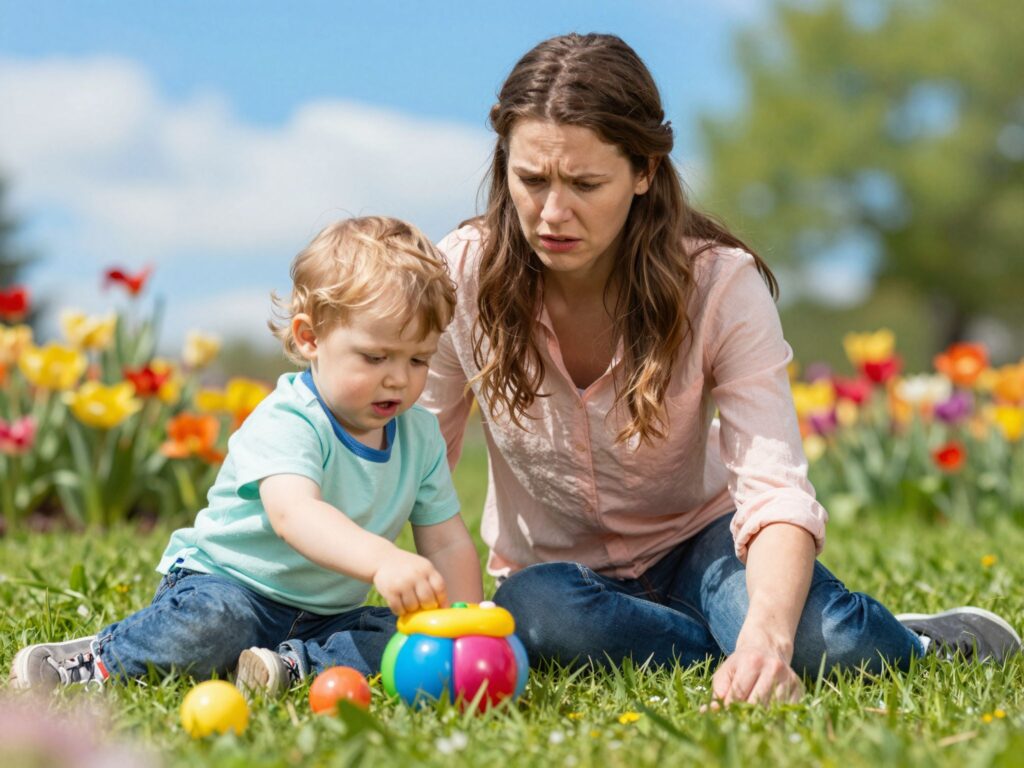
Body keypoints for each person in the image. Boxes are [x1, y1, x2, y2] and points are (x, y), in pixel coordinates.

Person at [419, 33, 1021, 707]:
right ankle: (721, 642)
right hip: (559, 579)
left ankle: (919, 642)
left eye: (586, 184)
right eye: (531, 180)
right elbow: (420, 464)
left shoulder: (718, 283)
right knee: (539, 616)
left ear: (644, 171)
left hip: (707, 547)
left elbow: (775, 489)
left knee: (835, 647)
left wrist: (767, 635)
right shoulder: (462, 276)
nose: (552, 213)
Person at [9, 216, 484, 694]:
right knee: (216, 625)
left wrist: (463, 628)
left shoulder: (419, 436)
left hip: (328, 616)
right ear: (309, 338)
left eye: (418, 359)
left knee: (402, 632)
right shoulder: (289, 418)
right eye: (376, 357)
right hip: (229, 588)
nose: (399, 378)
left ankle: (289, 666)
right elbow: (295, 515)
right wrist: (383, 559)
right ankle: (102, 658)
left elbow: (446, 542)